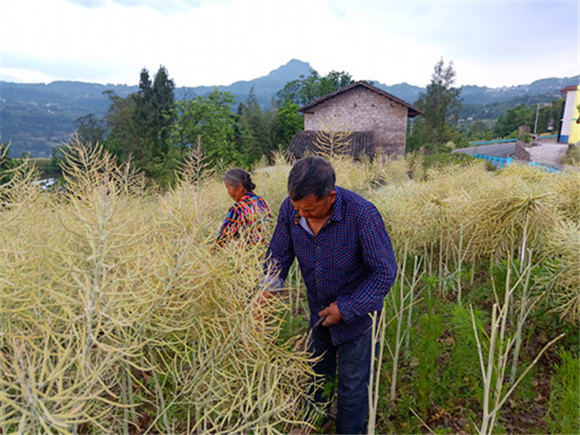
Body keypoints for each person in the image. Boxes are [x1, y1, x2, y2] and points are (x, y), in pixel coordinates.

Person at [264, 156, 397, 434]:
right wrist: (268, 286)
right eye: (298, 209)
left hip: (358, 318)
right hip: (319, 312)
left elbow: (384, 272)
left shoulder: (363, 215)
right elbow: (278, 254)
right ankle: (313, 421)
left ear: (331, 196)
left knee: (352, 386)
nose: (302, 215)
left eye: (310, 210)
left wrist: (346, 308)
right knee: (315, 372)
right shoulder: (291, 211)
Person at [216, 169, 271, 246]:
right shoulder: (261, 201)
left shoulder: (238, 208)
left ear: (240, 187)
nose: (229, 193)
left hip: (251, 254)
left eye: (228, 188)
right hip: (268, 250)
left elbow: (223, 238)